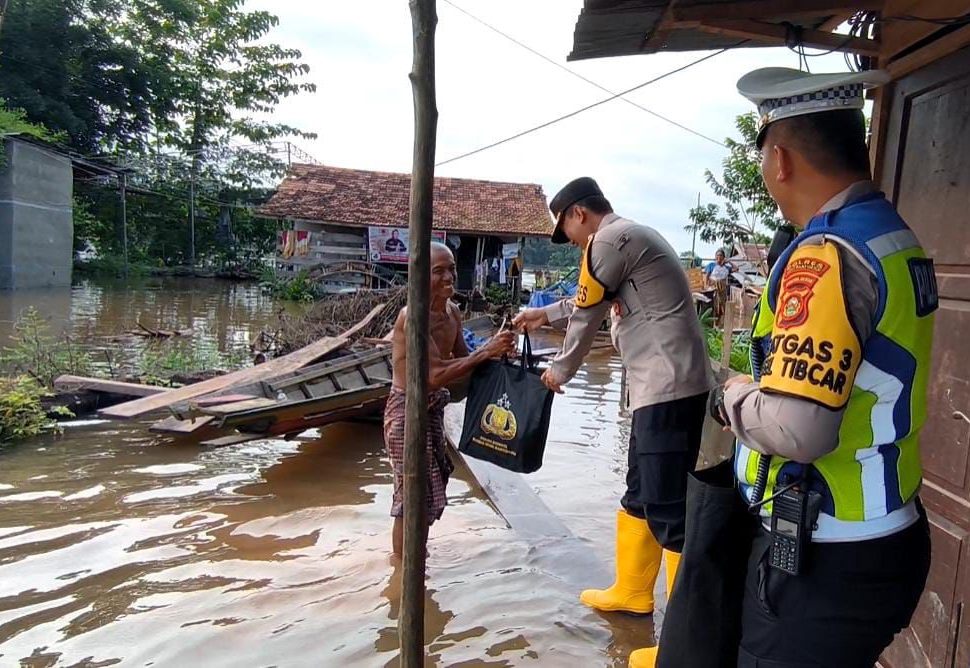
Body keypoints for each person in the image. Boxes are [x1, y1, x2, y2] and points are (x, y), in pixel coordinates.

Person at [705, 68, 938, 667]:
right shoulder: (894, 235)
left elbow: (800, 430)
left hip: (824, 548)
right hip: (890, 528)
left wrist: (734, 394)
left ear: (779, 158)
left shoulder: (827, 255)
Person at [512, 177, 711, 668]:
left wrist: (560, 369)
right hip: (659, 388)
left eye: (568, 231)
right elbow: (587, 300)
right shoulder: (623, 241)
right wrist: (542, 315)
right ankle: (632, 592)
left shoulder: (610, 239)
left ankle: (684, 645)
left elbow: (586, 316)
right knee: (641, 492)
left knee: (670, 512)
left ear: (579, 213)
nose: (573, 242)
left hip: (668, 388)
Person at [385, 242, 514, 560]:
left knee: (428, 488)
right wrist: (486, 352)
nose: (449, 277)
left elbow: (463, 362)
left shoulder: (453, 311)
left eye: (452, 268)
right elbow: (432, 376)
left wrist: (498, 353)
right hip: (406, 412)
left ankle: (418, 558)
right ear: (419, 275)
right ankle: (405, 571)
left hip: (432, 409)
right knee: (409, 495)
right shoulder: (412, 317)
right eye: (438, 270)